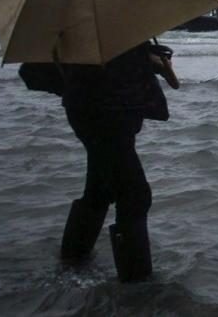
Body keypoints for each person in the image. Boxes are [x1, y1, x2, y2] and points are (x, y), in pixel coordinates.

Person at [56, 40, 178, 282]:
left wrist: (148, 57)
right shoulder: (103, 23)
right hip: (105, 112)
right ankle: (137, 288)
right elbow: (110, 66)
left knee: (99, 190)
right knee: (135, 196)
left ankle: (71, 263)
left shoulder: (102, 22)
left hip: (96, 110)